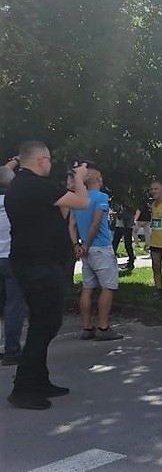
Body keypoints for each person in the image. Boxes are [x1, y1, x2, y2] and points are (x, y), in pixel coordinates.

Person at [5, 142, 89, 410]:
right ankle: (24, 389)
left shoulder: (19, 185)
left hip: (32, 263)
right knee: (44, 325)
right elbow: (82, 202)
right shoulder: (36, 185)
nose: (50, 165)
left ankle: (39, 380)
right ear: (41, 160)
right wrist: (81, 180)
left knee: (45, 324)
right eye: (49, 161)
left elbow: (62, 211)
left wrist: (70, 183)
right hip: (40, 266)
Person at [71, 168, 123, 341]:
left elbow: (71, 226)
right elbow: (96, 222)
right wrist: (87, 244)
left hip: (85, 250)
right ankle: (103, 326)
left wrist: (77, 245)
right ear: (97, 179)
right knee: (107, 287)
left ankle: (87, 328)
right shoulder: (101, 197)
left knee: (87, 288)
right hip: (100, 247)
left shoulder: (77, 199)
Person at [0, 165, 26, 367]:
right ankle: (11, 351)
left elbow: (4, 173)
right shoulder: (16, 202)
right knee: (14, 306)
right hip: (11, 258)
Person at [112, 201, 136, 271]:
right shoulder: (119, 204)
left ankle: (131, 262)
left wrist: (119, 213)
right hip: (119, 226)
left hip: (127, 227)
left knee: (127, 244)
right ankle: (112, 261)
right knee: (114, 244)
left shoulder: (129, 205)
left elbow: (125, 215)